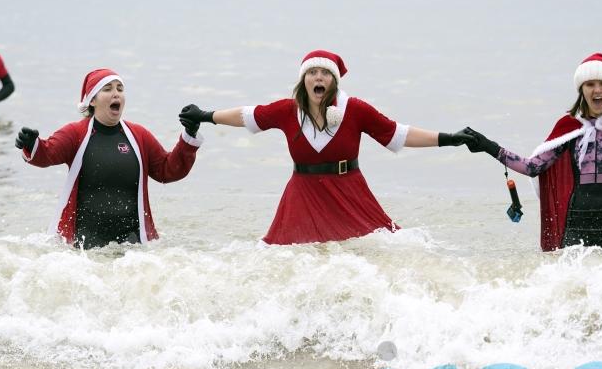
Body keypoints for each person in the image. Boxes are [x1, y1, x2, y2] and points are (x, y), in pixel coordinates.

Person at [178, 49, 471, 245]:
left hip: (348, 191)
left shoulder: (355, 109)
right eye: (312, 73)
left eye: (325, 73)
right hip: (303, 193)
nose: (318, 77)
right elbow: (246, 115)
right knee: (287, 254)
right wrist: (205, 116)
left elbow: (399, 134)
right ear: (304, 80)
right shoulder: (287, 109)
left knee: (378, 247)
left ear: (333, 82)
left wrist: (450, 138)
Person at [462, 53, 602, 251]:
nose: (597, 90)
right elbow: (532, 167)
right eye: (590, 84)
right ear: (582, 89)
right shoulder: (569, 126)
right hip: (576, 221)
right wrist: (488, 146)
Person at [15, 68, 203, 248]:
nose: (116, 94)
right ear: (92, 100)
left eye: (120, 89)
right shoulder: (75, 133)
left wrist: (189, 136)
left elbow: (167, 170)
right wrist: (31, 145)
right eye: (107, 89)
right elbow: (48, 154)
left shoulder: (139, 135)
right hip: (84, 248)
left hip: (134, 246)